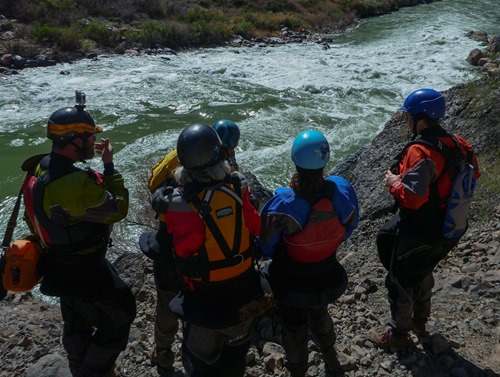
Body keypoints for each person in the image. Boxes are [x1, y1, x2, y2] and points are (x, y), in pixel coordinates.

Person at [21, 93, 136, 377]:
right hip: (84, 267)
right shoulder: (74, 184)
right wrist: (109, 167)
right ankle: (93, 371)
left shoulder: (40, 166)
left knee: (76, 320)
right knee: (122, 314)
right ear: (75, 140)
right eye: (88, 138)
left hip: (57, 263)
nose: (92, 143)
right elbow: (117, 207)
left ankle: (76, 366)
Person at [369, 88, 480, 351]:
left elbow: (412, 198)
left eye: (410, 116)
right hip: (451, 226)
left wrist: (394, 183)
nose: (407, 120)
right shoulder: (459, 143)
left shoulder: (420, 151)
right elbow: (473, 178)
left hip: (422, 227)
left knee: (400, 276)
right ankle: (420, 322)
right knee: (423, 268)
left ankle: (397, 335)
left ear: (422, 118)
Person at [151, 123, 264, 377]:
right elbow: (256, 226)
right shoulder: (239, 187)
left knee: (201, 364)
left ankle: (164, 351)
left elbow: (179, 247)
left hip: (204, 302)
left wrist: (161, 199)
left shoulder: (178, 204)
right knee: (235, 361)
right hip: (242, 294)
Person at [259, 130, 359, 377]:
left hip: (292, 282)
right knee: (319, 311)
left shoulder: (284, 202)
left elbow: (266, 246)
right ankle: (331, 359)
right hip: (327, 274)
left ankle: (298, 371)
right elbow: (350, 225)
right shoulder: (341, 189)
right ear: (325, 159)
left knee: (294, 326)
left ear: (295, 160)